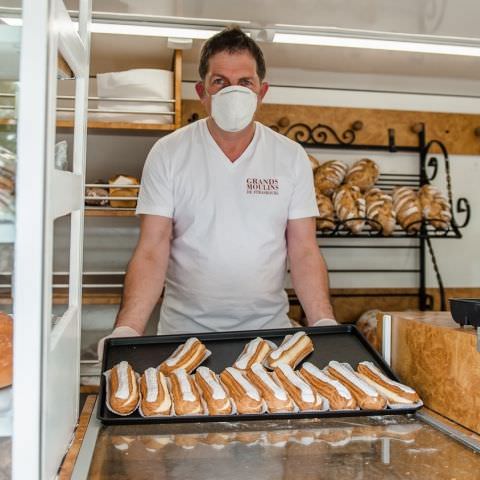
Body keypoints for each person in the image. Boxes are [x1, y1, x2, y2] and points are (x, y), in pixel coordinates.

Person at [97, 26, 336, 358]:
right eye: (220, 81)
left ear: (261, 92)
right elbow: (152, 248)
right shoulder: (169, 152)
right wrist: (129, 328)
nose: (232, 92)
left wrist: (322, 320)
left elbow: (304, 249)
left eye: (245, 83)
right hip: (183, 339)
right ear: (202, 91)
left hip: (269, 337)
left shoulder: (289, 156)